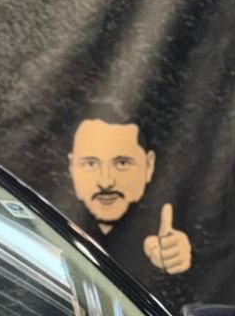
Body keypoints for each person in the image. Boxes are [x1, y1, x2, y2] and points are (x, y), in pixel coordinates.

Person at [66, 104, 192, 283]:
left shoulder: (170, 227)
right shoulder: (46, 225)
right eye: (91, 164)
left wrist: (176, 261)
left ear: (149, 165)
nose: (106, 182)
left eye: (122, 163)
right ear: (71, 167)